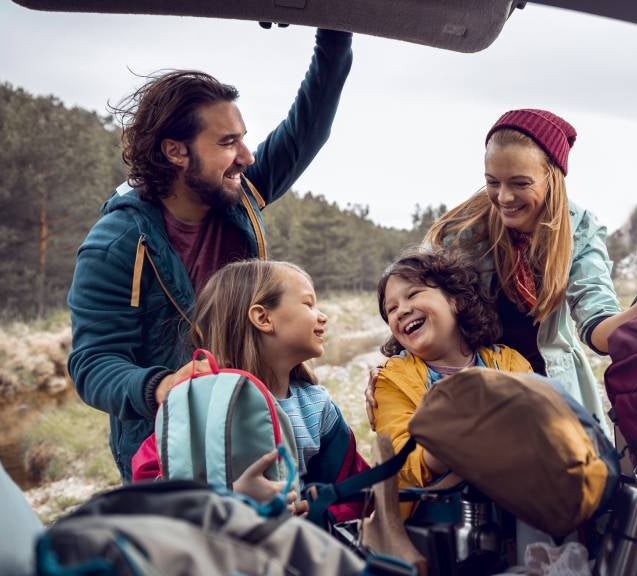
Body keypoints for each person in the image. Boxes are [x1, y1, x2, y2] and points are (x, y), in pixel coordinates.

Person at [67, 28, 354, 481]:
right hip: (171, 448)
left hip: (257, 422)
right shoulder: (117, 243)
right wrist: (163, 386)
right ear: (176, 152)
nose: (246, 156)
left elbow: (308, 129)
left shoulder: (239, 194)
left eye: (242, 138)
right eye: (226, 143)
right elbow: (93, 362)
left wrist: (334, 36)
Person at [367, 108, 637, 431]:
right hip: (476, 386)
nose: (504, 198)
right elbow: (420, 303)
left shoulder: (581, 231)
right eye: (493, 182)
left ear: (552, 177)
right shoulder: (463, 230)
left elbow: (599, 331)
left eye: (520, 183)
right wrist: (391, 374)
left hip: (551, 390)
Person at [191, 260, 368, 519]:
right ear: (264, 318)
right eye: (308, 304)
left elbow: (354, 491)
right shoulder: (197, 405)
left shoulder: (316, 407)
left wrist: (316, 512)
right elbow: (159, 497)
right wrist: (232, 499)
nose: (323, 316)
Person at [373, 248, 532, 498]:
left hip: (520, 496)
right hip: (436, 513)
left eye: (413, 294)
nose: (401, 310)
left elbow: (536, 421)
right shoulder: (391, 380)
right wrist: (450, 442)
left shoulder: (508, 362)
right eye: (391, 309)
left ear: (455, 300)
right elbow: (399, 454)